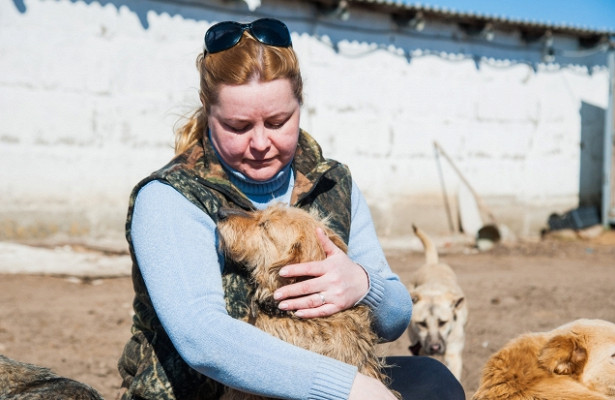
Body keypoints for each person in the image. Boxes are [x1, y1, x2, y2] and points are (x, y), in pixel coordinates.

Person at [117, 17, 465, 400]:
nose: (261, 143)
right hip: (205, 394)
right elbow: (203, 338)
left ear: (300, 104)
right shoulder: (172, 197)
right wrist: (345, 387)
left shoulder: (331, 182)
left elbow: (395, 319)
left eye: (279, 121)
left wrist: (363, 285)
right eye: (238, 126)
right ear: (208, 112)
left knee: (435, 383)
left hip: (327, 377)